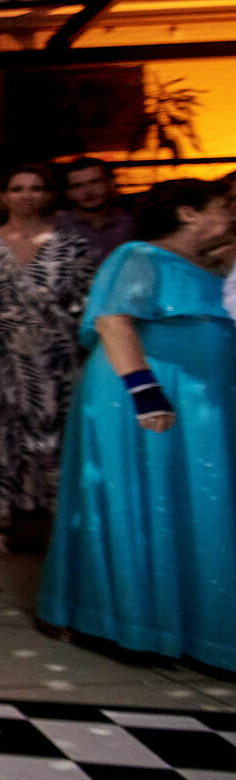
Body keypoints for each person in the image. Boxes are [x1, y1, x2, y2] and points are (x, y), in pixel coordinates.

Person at [38, 178, 235, 672]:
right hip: (139, 393)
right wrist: (146, 393)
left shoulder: (215, 268)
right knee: (135, 500)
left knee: (200, 501)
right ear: (188, 213)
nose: (232, 214)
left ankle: (195, 630)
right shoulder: (139, 255)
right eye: (223, 206)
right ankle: (122, 622)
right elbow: (114, 322)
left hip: (203, 403)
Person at [0, 165, 94, 555]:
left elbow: (91, 309)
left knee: (55, 440)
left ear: (49, 195)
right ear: (3, 196)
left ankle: (58, 525)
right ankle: (0, 523)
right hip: (0, 356)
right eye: (17, 188)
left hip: (57, 357)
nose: (26, 195)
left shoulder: (72, 246)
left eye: (35, 188)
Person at [55, 156, 134, 265]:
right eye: (77, 186)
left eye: (95, 182)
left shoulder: (130, 226)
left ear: (111, 183)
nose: (88, 191)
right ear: (68, 192)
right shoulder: (57, 227)